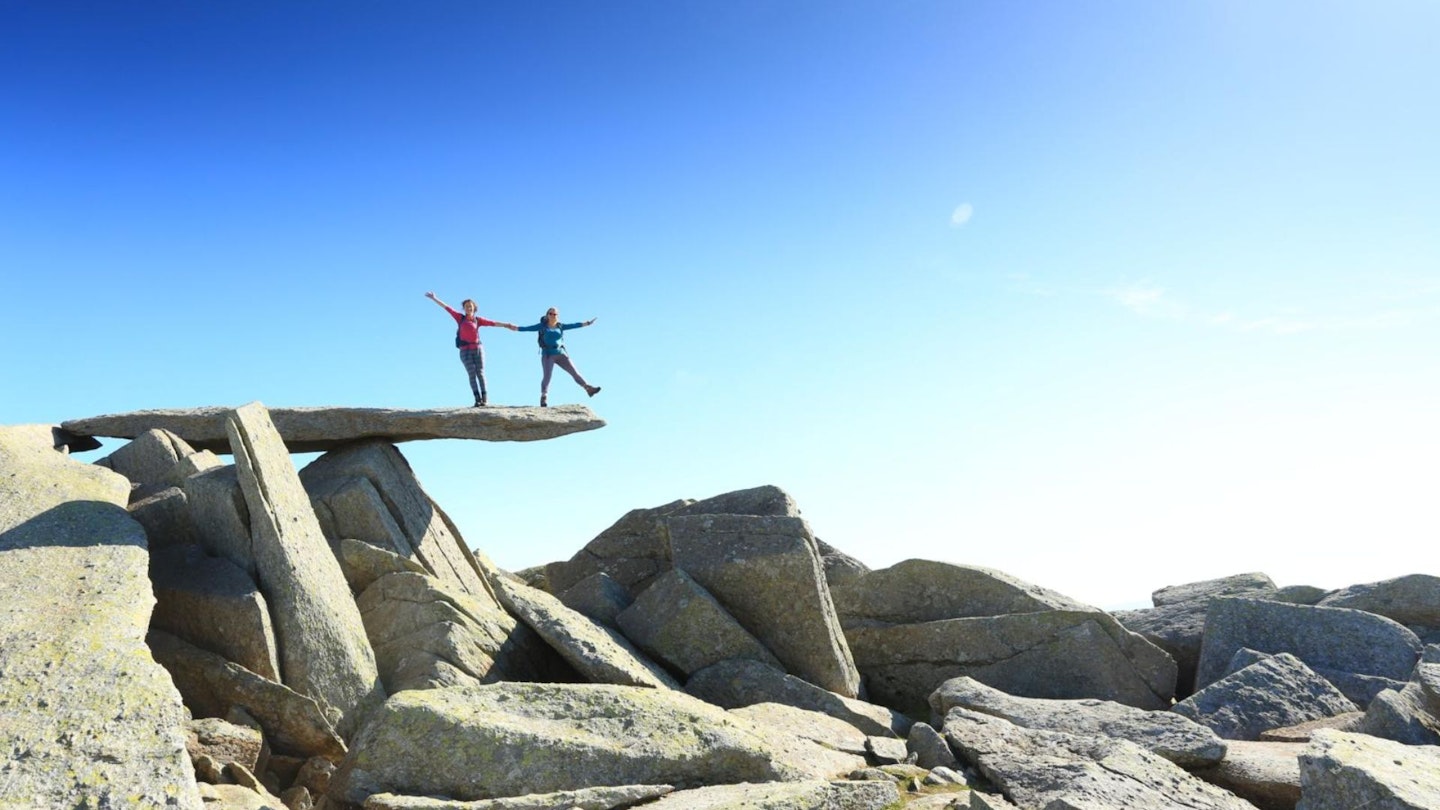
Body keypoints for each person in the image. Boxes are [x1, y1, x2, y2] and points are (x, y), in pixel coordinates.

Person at [425, 291, 518, 407]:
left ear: (474, 308)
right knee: (471, 374)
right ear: (464, 308)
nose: (468, 308)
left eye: (470, 306)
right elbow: (447, 308)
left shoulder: (478, 320)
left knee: (481, 373)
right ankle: (477, 399)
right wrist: (434, 298)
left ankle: (485, 399)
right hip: (465, 351)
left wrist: (506, 325)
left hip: (478, 349)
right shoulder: (460, 318)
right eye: (466, 306)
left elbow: (492, 323)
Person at [517, 307, 601, 407]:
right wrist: (510, 326)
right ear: (547, 315)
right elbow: (525, 328)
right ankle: (544, 397)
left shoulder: (560, 326)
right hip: (548, 354)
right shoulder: (542, 326)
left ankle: (588, 388)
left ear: (557, 316)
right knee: (547, 376)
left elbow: (574, 325)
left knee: (574, 372)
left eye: (555, 314)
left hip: (560, 353)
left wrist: (587, 323)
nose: (553, 316)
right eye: (551, 314)